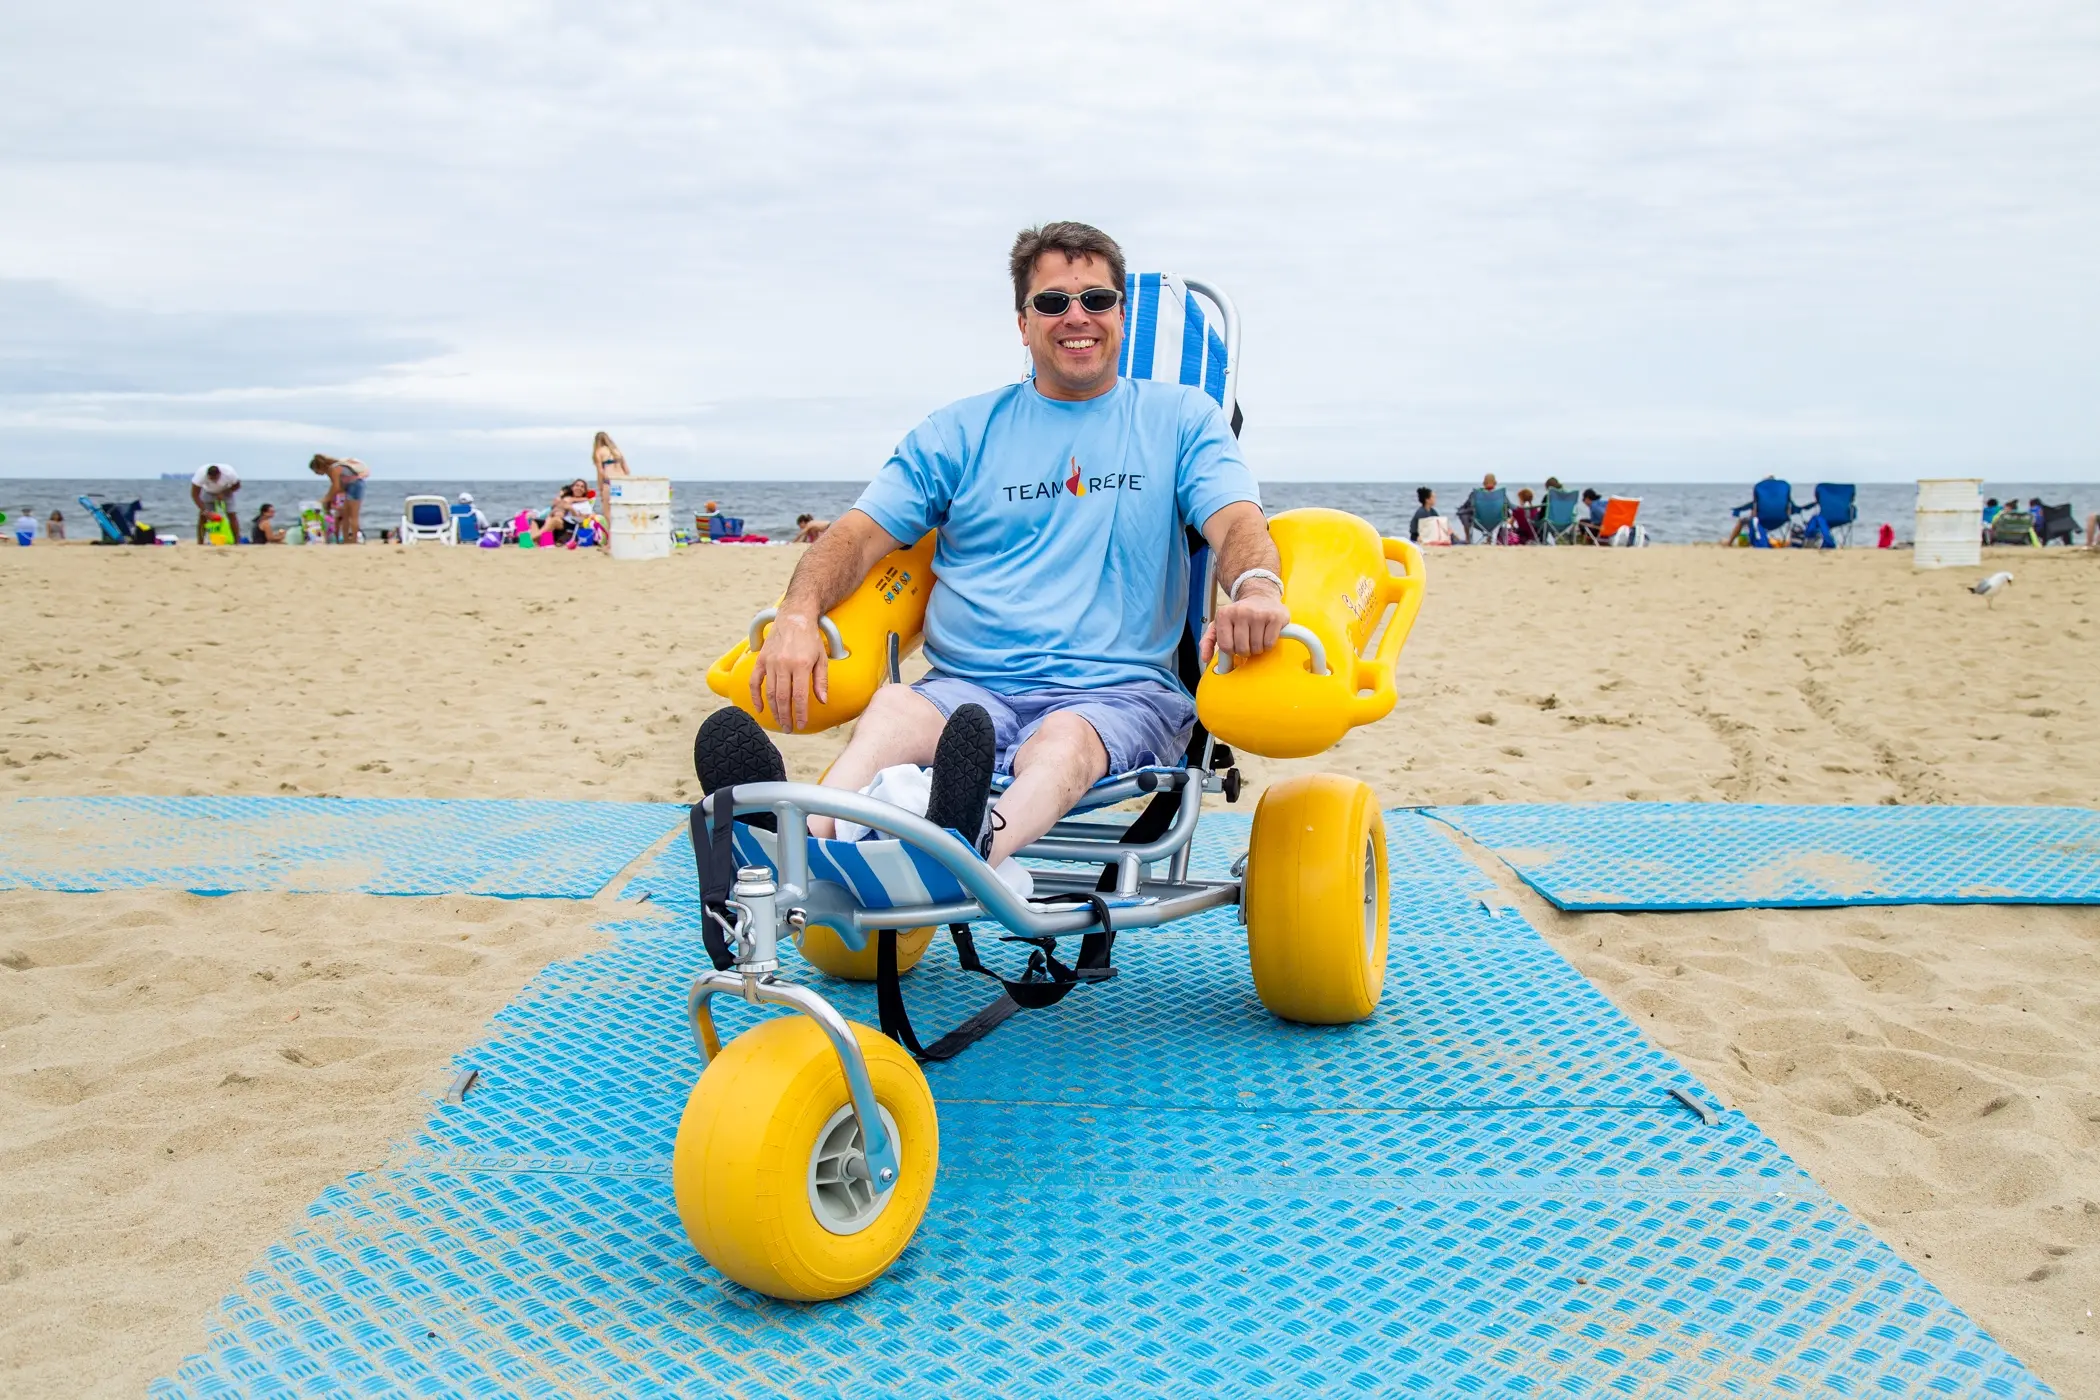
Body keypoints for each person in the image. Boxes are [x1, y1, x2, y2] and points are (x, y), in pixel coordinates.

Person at [699, 220, 1289, 870]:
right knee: (895, 708)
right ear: (1023, 321)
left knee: (1064, 740)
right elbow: (857, 535)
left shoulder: (1180, 418)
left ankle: (963, 851)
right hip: (967, 689)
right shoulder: (959, 430)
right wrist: (796, 615)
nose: (1076, 316)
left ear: (1121, 312)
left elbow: (1237, 524)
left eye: (1096, 299)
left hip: (1115, 689)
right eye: (1052, 301)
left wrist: (1257, 590)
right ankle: (799, 845)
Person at [308, 454, 370, 542]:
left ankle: (353, 540)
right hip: (349, 487)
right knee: (345, 516)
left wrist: (325, 499)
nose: (316, 474)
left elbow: (336, 487)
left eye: (315, 471)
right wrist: (331, 502)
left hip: (356, 485)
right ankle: (346, 540)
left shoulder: (334, 469)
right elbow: (338, 488)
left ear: (319, 467)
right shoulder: (332, 470)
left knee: (353, 516)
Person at [592, 433, 628, 549]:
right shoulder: (617, 452)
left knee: (608, 513)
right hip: (622, 483)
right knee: (621, 512)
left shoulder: (599, 452)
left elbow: (600, 472)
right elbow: (627, 470)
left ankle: (611, 543)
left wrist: (600, 487)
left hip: (610, 483)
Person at [190, 463, 241, 543]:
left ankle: (237, 541)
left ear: (220, 474)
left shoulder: (229, 473)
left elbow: (237, 486)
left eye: (215, 479)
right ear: (207, 476)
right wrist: (205, 511)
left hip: (226, 491)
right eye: (211, 479)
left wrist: (224, 493)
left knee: (231, 514)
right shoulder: (200, 475)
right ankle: (200, 542)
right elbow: (194, 495)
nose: (214, 481)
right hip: (208, 492)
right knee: (203, 516)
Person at [1455, 472, 1497, 544]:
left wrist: (1460, 510)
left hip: (1478, 521)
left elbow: (1467, 505)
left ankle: (1468, 539)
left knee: (1464, 514)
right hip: (1494, 522)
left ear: (1484, 483)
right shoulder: (1499, 495)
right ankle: (1489, 540)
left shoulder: (1476, 493)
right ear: (1495, 483)